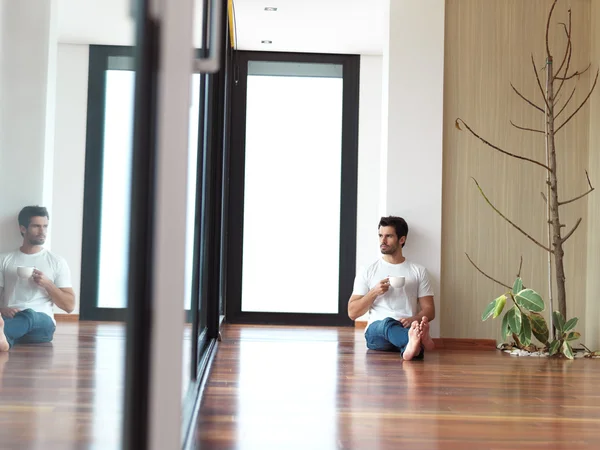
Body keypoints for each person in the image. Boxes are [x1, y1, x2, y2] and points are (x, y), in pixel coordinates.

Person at [348, 216, 435, 361]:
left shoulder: (418, 271)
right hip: (377, 332)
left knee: (410, 341)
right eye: (380, 235)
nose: (382, 241)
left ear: (402, 240)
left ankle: (411, 348)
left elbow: (430, 311)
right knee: (388, 323)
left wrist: (414, 319)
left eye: (388, 236)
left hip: (405, 328)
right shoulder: (368, 270)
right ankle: (419, 342)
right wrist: (374, 292)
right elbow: (352, 313)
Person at [0, 206, 75, 352]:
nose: (42, 232)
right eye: (36, 226)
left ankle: (4, 334)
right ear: (23, 229)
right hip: (12, 319)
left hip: (42, 324)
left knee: (30, 315)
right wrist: (2, 309)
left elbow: (69, 306)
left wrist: (47, 284)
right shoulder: (4, 260)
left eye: (45, 226)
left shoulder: (56, 261)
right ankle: (5, 340)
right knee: (15, 325)